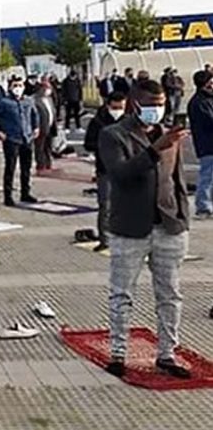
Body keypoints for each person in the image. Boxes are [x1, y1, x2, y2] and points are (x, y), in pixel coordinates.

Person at [99, 79, 191, 380]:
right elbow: (120, 174)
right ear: (135, 104)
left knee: (170, 294)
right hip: (130, 228)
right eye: (151, 105)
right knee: (122, 294)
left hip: (168, 225)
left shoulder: (168, 135)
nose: (157, 110)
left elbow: (176, 181)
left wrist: (182, 217)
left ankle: (167, 353)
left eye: (161, 104)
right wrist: (154, 150)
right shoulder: (113, 135)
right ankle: (117, 354)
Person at [80, 91, 127, 251]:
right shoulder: (98, 122)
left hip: (127, 169)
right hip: (105, 169)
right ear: (108, 106)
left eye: (121, 107)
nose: (118, 110)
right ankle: (105, 239)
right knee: (105, 204)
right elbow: (88, 144)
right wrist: (104, 145)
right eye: (115, 107)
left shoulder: (128, 121)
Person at [0, 77, 40, 207]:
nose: (18, 88)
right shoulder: (4, 102)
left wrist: (36, 127)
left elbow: (35, 114)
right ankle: (8, 196)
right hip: (11, 138)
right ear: (10, 87)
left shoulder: (28, 101)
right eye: (15, 85)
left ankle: (25, 192)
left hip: (26, 138)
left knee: (26, 167)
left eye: (20, 85)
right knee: (10, 167)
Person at [188, 70, 213, 220]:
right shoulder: (199, 102)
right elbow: (209, 122)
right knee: (207, 176)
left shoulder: (208, 99)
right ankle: (203, 206)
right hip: (208, 144)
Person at [33, 81, 57, 173]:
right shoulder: (35, 100)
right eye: (46, 88)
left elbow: (52, 112)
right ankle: (40, 166)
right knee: (40, 148)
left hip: (50, 127)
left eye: (49, 88)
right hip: (41, 127)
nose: (48, 91)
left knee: (48, 147)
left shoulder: (49, 99)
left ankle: (48, 164)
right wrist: (36, 127)